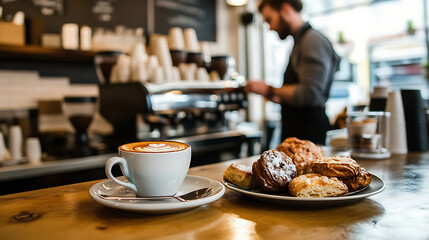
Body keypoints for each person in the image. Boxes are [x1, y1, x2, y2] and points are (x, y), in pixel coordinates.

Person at [246, 0, 340, 145]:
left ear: (285, 9)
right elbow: (295, 99)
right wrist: (266, 92)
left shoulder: (312, 40)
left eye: (269, 20)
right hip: (300, 134)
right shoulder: (301, 42)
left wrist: (269, 88)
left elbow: (310, 94)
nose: (270, 28)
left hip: (310, 137)